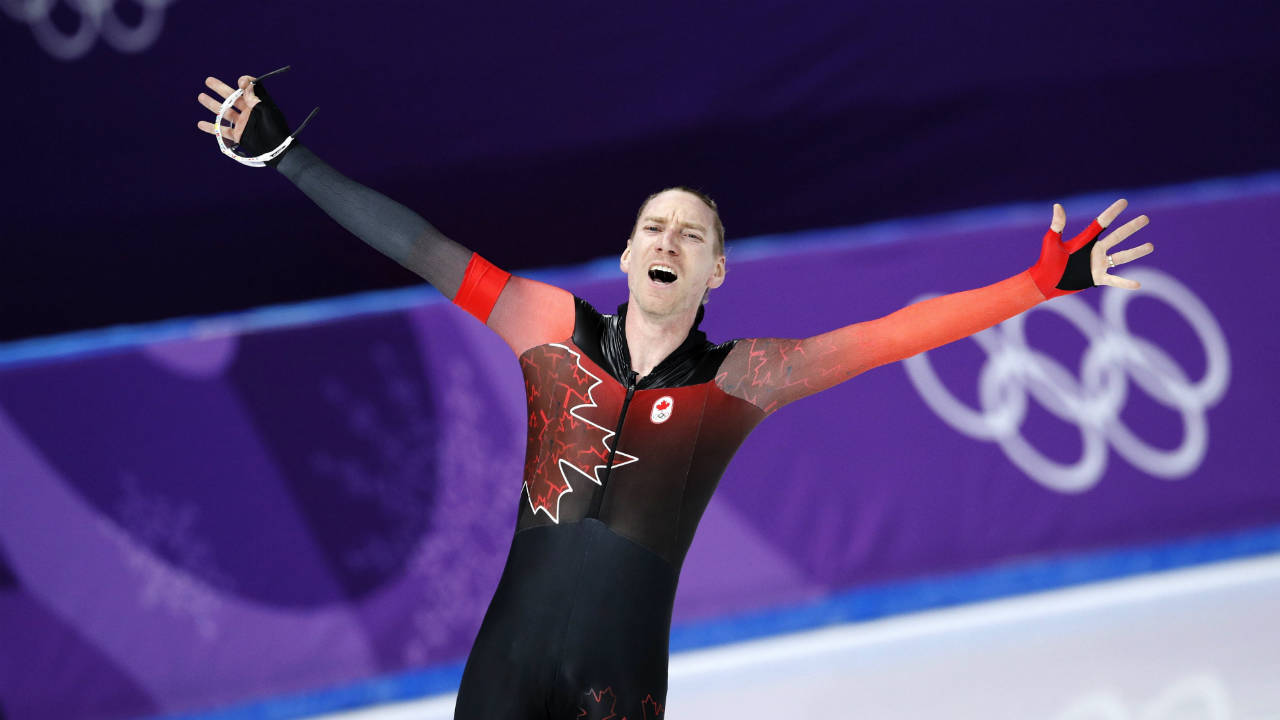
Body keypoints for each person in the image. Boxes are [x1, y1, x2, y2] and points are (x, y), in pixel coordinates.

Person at [196, 73, 1154, 720]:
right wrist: (286, 157)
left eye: (690, 236)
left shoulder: (743, 380)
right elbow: (414, 245)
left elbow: (896, 332)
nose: (667, 241)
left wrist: (1034, 287)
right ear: (625, 254)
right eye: (653, 228)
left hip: (617, 687)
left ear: (717, 273)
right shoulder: (546, 326)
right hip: (501, 680)